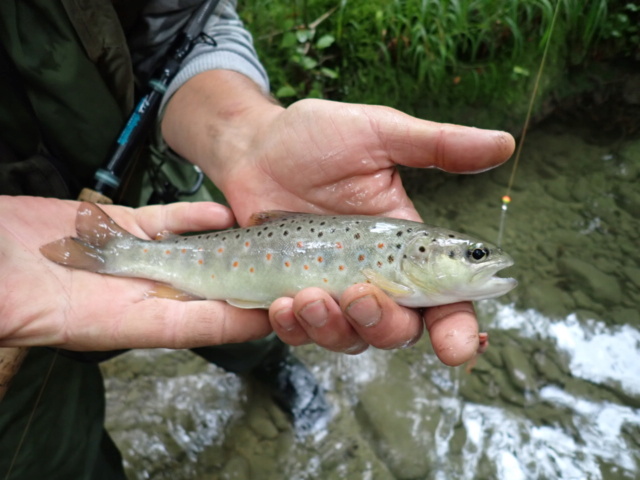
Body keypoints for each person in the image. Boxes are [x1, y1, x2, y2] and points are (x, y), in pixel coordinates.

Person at [0, 0, 515, 478]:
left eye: (474, 254)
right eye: (473, 254)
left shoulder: (398, 253)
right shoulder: (397, 256)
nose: (482, 260)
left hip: (145, 186)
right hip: (35, 315)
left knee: (256, 328)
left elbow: (181, 23)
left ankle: (269, 368)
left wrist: (244, 130)